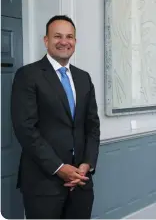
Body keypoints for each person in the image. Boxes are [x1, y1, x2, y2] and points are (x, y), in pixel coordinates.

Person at [11, 15, 100, 219]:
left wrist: (87, 164)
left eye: (69, 37)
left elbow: (92, 126)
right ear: (46, 40)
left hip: (81, 183)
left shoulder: (83, 78)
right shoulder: (28, 75)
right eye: (57, 36)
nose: (64, 41)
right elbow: (25, 129)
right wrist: (59, 168)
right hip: (43, 185)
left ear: (75, 42)